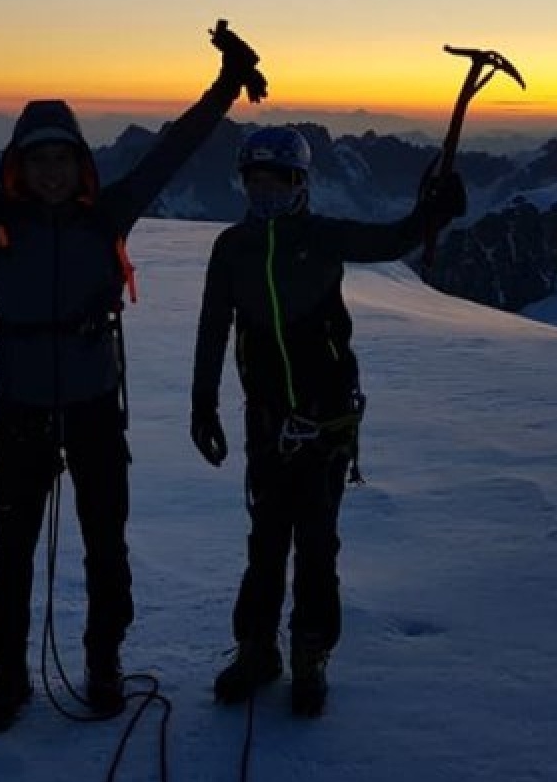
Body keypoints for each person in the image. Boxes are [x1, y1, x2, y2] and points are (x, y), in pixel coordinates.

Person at [0, 24, 267, 732]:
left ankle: (101, 663)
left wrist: (225, 85)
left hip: (93, 408)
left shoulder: (108, 214)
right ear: (19, 167)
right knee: (13, 552)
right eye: (40, 161)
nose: (53, 172)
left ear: (80, 164)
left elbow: (172, 151)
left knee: (106, 543)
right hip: (23, 410)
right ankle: (6, 675)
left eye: (63, 158)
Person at [189, 126, 465, 717]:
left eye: (277, 179)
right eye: (255, 179)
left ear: (299, 183)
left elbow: (389, 240)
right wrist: (202, 402)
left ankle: (310, 650)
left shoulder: (321, 237)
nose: (264, 190)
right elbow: (214, 326)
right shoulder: (231, 248)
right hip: (267, 420)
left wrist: (430, 216)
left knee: (314, 543)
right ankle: (258, 648)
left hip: (324, 419)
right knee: (266, 540)